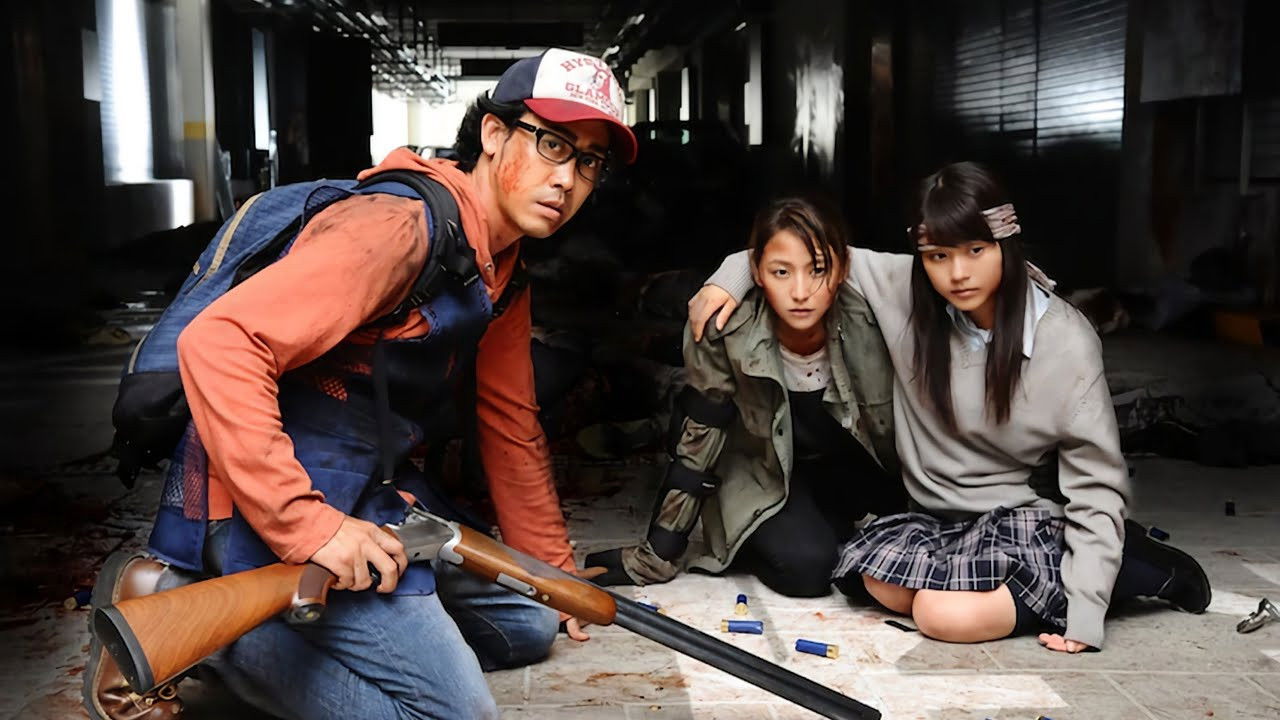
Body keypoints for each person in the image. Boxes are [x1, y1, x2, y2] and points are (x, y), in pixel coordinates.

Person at [84, 48, 637, 720]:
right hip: (265, 497)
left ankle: (291, 631)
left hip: (369, 491)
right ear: (494, 134)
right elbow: (221, 342)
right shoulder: (396, 228)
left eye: (589, 162)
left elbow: (508, 420)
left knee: (527, 621)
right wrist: (307, 526)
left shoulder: (503, 268)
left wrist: (555, 572)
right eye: (552, 144)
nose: (567, 178)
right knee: (454, 716)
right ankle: (172, 609)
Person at [687, 162, 1211, 652]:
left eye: (976, 250)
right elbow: (799, 250)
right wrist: (724, 281)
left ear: (1006, 243)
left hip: (1021, 516)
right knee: (880, 583)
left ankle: (1134, 569)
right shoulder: (908, 290)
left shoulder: (1064, 340)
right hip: (938, 519)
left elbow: (1096, 483)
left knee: (941, 617)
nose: (957, 273)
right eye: (939, 256)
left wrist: (1085, 613)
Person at [586, 196, 906, 597]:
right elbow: (700, 436)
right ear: (756, 272)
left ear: (842, 269)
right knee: (808, 571)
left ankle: (828, 521)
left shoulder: (871, 319)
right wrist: (661, 549)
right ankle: (759, 538)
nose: (801, 292)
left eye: (818, 270)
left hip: (850, 469)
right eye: (781, 272)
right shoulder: (726, 327)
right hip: (765, 472)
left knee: (896, 561)